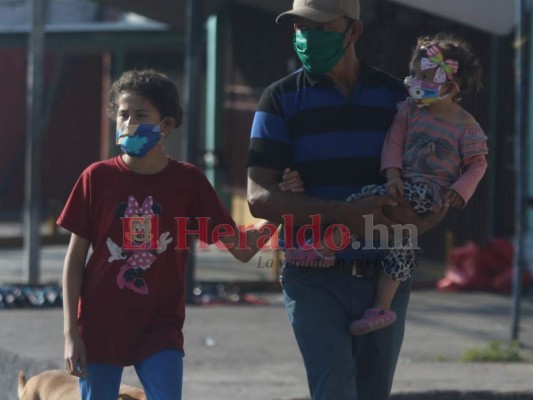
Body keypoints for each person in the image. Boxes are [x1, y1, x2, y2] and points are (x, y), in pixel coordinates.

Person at [247, 1, 448, 399]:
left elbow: (436, 184)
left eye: (320, 28)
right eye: (300, 28)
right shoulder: (279, 99)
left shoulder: (398, 100)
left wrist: (417, 222)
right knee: (334, 388)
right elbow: (259, 197)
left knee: (373, 392)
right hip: (314, 277)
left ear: (353, 32)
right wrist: (343, 214)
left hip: (385, 279)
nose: (306, 38)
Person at [58, 69, 291, 400]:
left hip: (160, 327)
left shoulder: (188, 183)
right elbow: (74, 258)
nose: (127, 123)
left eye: (140, 115)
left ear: (165, 126)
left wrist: (280, 210)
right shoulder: (96, 178)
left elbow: (240, 248)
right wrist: (71, 333)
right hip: (99, 326)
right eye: (122, 115)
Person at [280, 33, 488, 336]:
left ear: (451, 85)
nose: (416, 81)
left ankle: (328, 250)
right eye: (415, 74)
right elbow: (393, 143)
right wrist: (391, 175)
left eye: (426, 76)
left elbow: (478, 163)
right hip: (401, 187)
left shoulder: (467, 127)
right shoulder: (408, 111)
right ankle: (380, 306)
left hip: (431, 194)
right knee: (397, 241)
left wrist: (460, 190)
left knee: (369, 205)